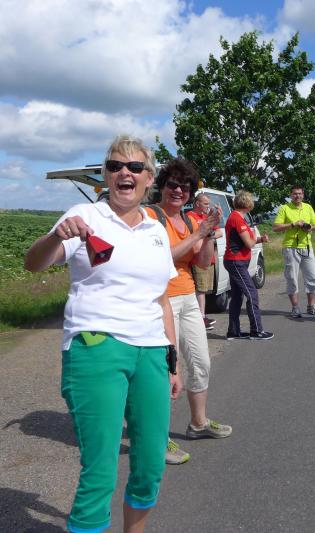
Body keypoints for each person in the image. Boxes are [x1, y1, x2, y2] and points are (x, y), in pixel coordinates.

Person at [24, 135, 180, 533]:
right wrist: (56, 236)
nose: (125, 173)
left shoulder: (156, 228)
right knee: (100, 468)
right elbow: (33, 264)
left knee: (150, 463)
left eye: (135, 167)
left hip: (151, 352)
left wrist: (172, 361)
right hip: (96, 347)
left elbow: (161, 299)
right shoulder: (85, 216)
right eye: (115, 166)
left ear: (149, 178)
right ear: (106, 176)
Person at [145, 158, 232, 466]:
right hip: (157, 302)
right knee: (164, 371)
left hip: (187, 297)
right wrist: (197, 235)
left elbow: (203, 262)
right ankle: (157, 439)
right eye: (173, 184)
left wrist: (208, 234)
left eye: (185, 187)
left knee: (200, 361)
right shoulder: (150, 217)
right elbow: (160, 258)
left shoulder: (190, 221)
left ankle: (198, 422)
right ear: (162, 185)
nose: (178, 191)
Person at [224, 191, 274, 340]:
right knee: (252, 294)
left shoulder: (238, 218)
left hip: (237, 261)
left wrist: (260, 239)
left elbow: (246, 240)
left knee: (237, 296)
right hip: (236, 261)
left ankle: (233, 331)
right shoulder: (237, 219)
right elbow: (249, 243)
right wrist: (254, 239)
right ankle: (256, 330)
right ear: (247, 203)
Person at [273, 185, 315, 318]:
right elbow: (275, 227)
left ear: (303, 195)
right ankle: (295, 307)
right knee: (292, 278)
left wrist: (309, 227)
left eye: (300, 193)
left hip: (306, 247)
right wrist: (293, 224)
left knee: (312, 277)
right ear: (291, 195)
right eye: (295, 194)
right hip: (291, 247)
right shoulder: (285, 208)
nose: (297, 196)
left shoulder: (308, 207)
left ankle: (311, 306)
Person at [187, 192, 222, 331]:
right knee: (200, 289)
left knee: (204, 289)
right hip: (198, 258)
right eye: (206, 203)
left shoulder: (206, 217)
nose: (208, 206)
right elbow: (194, 237)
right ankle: (200, 317)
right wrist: (208, 235)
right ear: (197, 203)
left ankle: (202, 316)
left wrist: (209, 234)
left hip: (209, 256)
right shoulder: (190, 217)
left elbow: (219, 232)